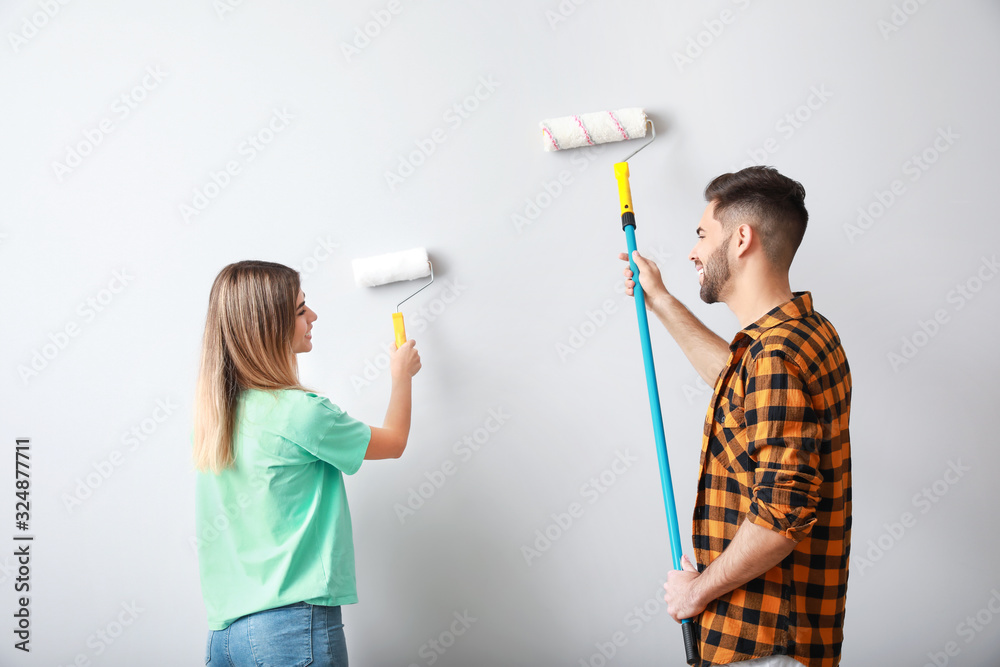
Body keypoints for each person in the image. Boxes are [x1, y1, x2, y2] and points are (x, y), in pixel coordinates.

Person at [620, 166, 852, 667]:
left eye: (703, 234)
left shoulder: (773, 358)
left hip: (763, 643)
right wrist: (660, 301)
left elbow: (779, 519)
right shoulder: (806, 332)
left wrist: (696, 591)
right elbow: (737, 382)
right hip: (788, 635)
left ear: (741, 238)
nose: (694, 251)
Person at [191, 260, 421, 667]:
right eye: (300, 310)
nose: (312, 317)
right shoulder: (299, 413)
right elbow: (395, 442)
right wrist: (401, 375)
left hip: (225, 640)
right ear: (268, 326)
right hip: (290, 631)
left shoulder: (215, 419)